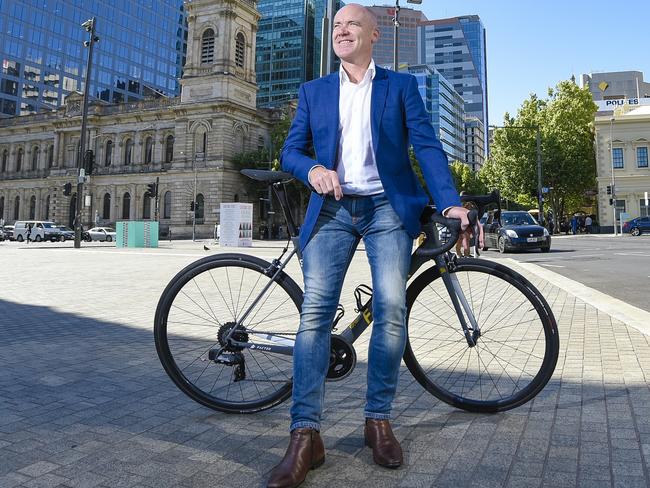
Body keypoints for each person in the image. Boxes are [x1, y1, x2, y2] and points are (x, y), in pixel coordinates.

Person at [268, 5, 482, 488]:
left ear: (373, 35)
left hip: (388, 209)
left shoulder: (401, 88)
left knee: (391, 306)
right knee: (315, 315)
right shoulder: (313, 91)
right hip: (332, 210)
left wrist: (449, 203)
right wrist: (312, 171)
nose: (342, 32)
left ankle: (377, 420)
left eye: (352, 26)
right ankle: (304, 436)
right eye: (337, 26)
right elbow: (290, 151)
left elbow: (427, 147)